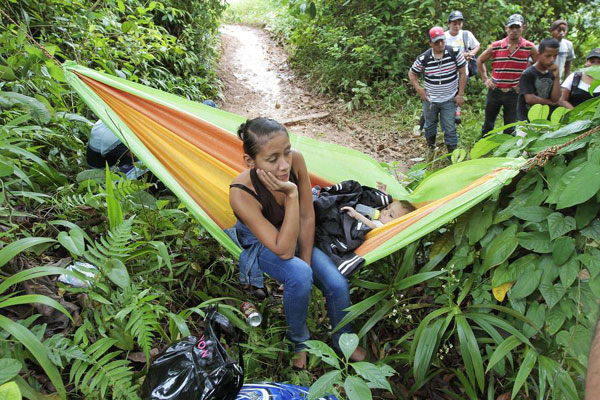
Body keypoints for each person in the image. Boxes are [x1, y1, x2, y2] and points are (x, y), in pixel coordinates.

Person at [227, 117, 366, 369]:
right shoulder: (240, 193)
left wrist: (308, 258)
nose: (284, 165)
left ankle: (343, 338)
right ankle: (298, 342)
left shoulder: (296, 161)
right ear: (250, 161)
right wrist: (291, 195)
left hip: (293, 230)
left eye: (287, 152)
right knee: (300, 274)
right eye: (272, 159)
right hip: (261, 244)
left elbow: (306, 215)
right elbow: (282, 249)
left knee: (336, 283)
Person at [409, 26, 466, 156]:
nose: (440, 44)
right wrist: (419, 90)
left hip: (449, 99)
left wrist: (460, 94)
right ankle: (431, 148)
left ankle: (452, 155)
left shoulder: (454, 53)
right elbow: (412, 73)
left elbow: (463, 73)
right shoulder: (425, 58)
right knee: (429, 125)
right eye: (436, 42)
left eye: (442, 41)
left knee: (450, 128)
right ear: (430, 43)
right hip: (430, 99)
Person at [477, 14, 538, 135]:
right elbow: (480, 60)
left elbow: (539, 65)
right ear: (506, 28)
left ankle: (506, 152)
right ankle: (484, 150)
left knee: (510, 127)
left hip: (514, 93)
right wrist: (485, 79)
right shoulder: (496, 46)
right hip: (495, 90)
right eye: (511, 27)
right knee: (488, 125)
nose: (514, 30)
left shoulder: (529, 47)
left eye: (517, 27)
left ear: (523, 28)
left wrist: (525, 83)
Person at [517, 38, 561, 121]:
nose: (552, 59)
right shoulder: (528, 74)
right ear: (538, 55)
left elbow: (556, 98)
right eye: (548, 56)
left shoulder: (552, 73)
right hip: (526, 119)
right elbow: (529, 99)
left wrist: (557, 77)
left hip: (546, 119)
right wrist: (550, 102)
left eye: (555, 56)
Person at [340, 182, 415, 229]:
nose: (385, 212)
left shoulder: (382, 226)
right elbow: (380, 204)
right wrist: (383, 193)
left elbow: (373, 226)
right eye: (387, 208)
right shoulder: (380, 215)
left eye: (391, 215)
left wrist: (357, 215)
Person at [444, 10, 481, 80]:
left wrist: (471, 54)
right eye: (454, 24)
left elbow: (477, 46)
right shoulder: (443, 37)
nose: (457, 26)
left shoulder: (466, 34)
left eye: (459, 24)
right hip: (447, 73)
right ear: (449, 24)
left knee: (461, 91)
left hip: (463, 73)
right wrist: (462, 56)